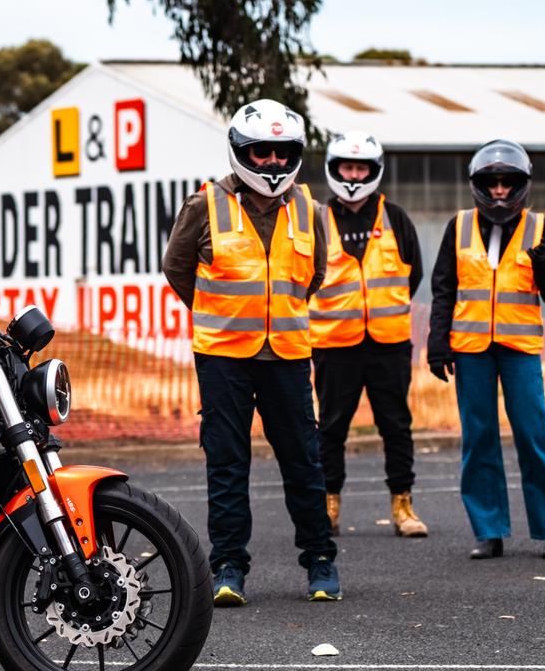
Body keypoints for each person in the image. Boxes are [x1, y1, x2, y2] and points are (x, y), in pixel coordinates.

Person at [163, 99, 340, 606]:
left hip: (286, 354)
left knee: (304, 462)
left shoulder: (310, 208)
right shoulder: (204, 205)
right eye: (261, 153)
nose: (272, 163)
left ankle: (320, 563)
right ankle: (228, 568)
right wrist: (226, 311)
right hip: (223, 357)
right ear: (242, 152)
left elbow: (316, 274)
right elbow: (178, 270)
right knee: (227, 464)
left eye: (283, 153)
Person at [427, 139, 545, 561]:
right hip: (471, 349)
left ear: (521, 185)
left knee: (535, 436)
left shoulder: (541, 227)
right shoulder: (458, 226)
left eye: (507, 183)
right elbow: (443, 288)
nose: (499, 191)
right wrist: (437, 342)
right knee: (479, 439)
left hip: (520, 348)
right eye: (491, 183)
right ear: (478, 185)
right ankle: (489, 530)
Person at [308, 130, 428, 538]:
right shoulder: (316, 221)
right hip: (334, 344)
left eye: (361, 167)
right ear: (334, 169)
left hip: (388, 343)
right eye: (347, 167)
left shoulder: (396, 217)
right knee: (331, 429)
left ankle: (403, 506)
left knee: (396, 425)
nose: (354, 175)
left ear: (374, 171)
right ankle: (329, 506)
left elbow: (414, 273)